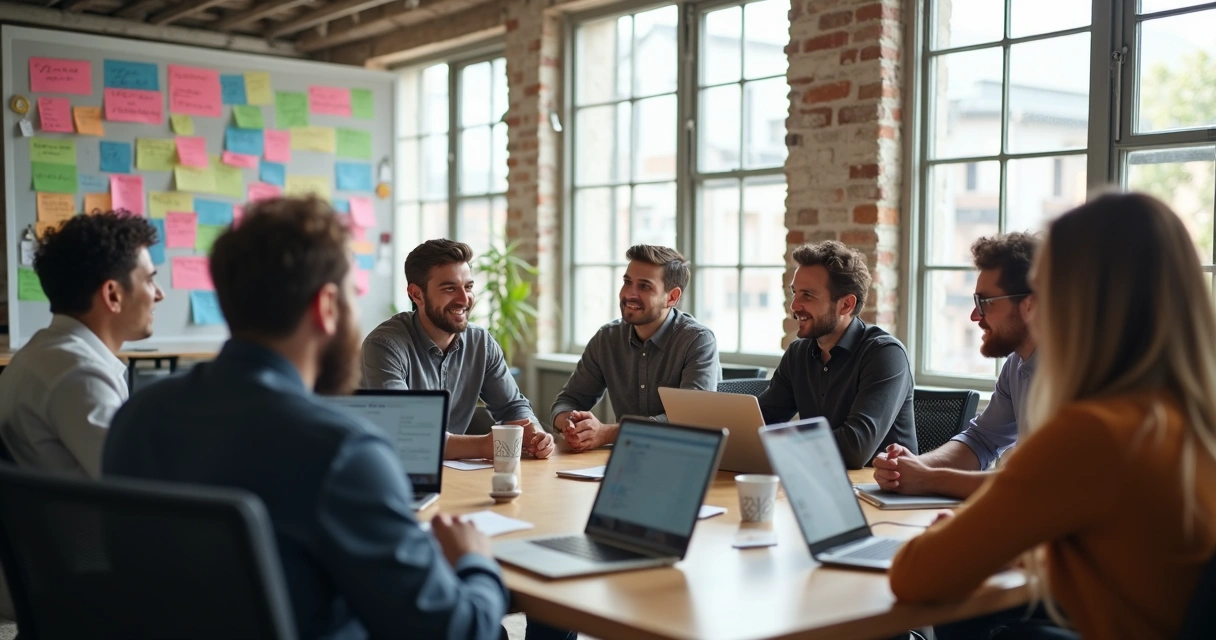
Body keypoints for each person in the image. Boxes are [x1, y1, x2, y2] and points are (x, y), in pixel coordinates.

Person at [104, 198, 508, 640]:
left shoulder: (137, 416)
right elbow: (457, 632)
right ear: (328, 306)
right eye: (354, 297)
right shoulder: (343, 452)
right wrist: (476, 560)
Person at [889, 193, 1216, 639]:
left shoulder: (1095, 430)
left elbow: (915, 575)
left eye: (1043, 292)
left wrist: (964, 536)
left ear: (1077, 302)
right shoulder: (1183, 416)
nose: (1034, 310)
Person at [872, 233, 1038, 498]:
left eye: (985, 302)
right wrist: (913, 467)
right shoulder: (1016, 364)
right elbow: (980, 441)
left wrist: (929, 478)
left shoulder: (1079, 374)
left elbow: (1039, 486)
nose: (974, 316)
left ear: (1030, 305)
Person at [0, 212, 162, 477]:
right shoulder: (80, 375)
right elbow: (141, 483)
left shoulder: (42, 353)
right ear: (112, 295)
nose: (159, 294)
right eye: (149, 280)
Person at [361, 239, 554, 461]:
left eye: (469, 287)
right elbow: (405, 432)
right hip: (392, 472)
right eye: (450, 288)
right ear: (416, 294)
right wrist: (484, 446)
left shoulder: (481, 342)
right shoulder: (385, 346)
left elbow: (512, 407)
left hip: (455, 476)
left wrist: (535, 434)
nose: (464, 299)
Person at [757, 240, 915, 469]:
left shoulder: (885, 354)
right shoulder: (798, 353)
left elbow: (855, 449)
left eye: (807, 296)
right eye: (795, 293)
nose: (794, 306)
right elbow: (762, 422)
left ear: (846, 305)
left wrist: (778, 440)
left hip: (881, 494)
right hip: (822, 482)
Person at [550, 245, 720, 451]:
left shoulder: (697, 341)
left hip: (682, 457)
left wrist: (608, 433)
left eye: (645, 286)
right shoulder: (607, 338)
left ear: (672, 297)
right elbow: (569, 400)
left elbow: (691, 419)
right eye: (627, 282)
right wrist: (571, 423)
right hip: (626, 457)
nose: (629, 293)